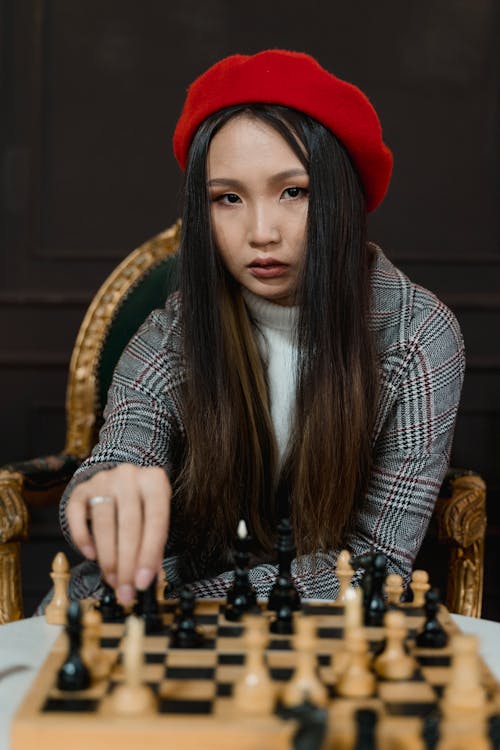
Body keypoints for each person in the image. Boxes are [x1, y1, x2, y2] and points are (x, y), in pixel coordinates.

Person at [58, 50, 465, 609]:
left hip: (323, 641)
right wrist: (104, 490)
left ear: (342, 197)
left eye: (293, 191)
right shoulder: (171, 332)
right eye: (228, 198)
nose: (261, 232)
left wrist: (210, 598)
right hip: (172, 642)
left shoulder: (419, 336)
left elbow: (379, 561)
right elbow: (122, 449)